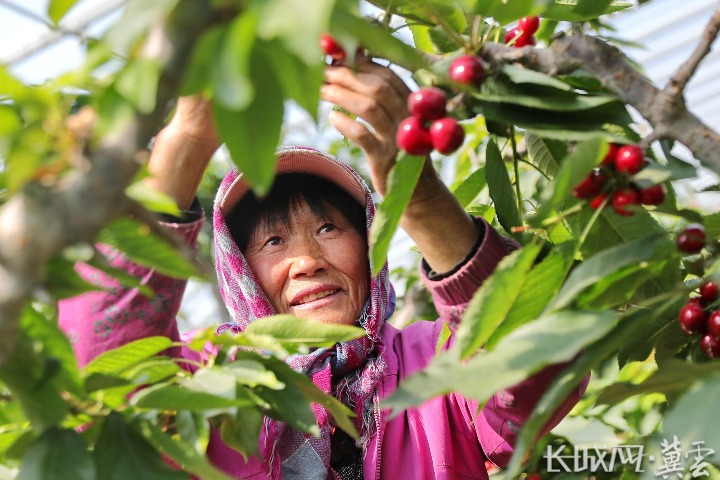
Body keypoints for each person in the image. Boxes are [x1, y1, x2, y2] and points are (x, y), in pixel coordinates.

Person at [59, 54, 586, 479]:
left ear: (369, 245)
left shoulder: (436, 365)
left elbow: (537, 362)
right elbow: (103, 374)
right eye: (272, 241)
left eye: (330, 229)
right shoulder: (212, 381)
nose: (307, 260)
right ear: (239, 269)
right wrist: (186, 143)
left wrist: (420, 199)